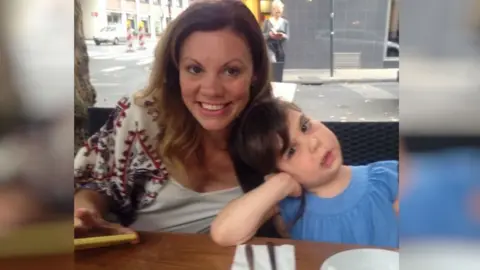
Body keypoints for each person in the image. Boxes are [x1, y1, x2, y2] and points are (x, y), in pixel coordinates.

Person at [74, 0, 276, 239]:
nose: (211, 90)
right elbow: (94, 184)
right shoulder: (141, 118)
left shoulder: (281, 132)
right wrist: (85, 213)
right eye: (195, 69)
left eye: (231, 70)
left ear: (255, 73)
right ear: (175, 70)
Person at [211, 99, 399, 248]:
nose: (314, 143)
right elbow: (223, 234)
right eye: (291, 151)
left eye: (305, 126)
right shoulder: (288, 206)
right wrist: (279, 185)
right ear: (276, 173)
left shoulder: (387, 178)